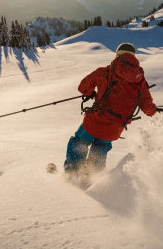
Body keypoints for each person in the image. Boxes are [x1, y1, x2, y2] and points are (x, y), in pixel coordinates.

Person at [64, 43, 157, 176]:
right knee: (101, 147)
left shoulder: (105, 71)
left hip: (95, 120)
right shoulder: (139, 80)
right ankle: (90, 176)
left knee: (79, 142)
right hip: (116, 127)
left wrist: (90, 93)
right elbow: (147, 106)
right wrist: (154, 111)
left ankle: (72, 172)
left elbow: (83, 86)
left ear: (118, 55)